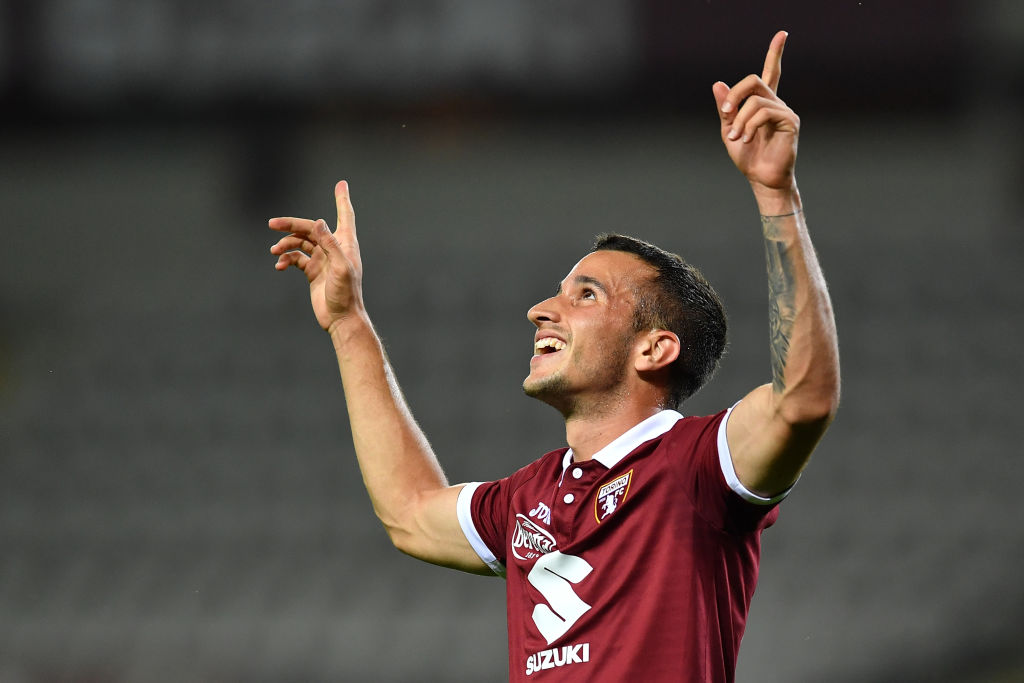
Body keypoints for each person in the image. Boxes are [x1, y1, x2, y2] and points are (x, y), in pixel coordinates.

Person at [268, 30, 839, 683]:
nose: (541, 309)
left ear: (655, 348)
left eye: (585, 294)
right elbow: (409, 511)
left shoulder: (696, 467)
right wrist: (349, 322)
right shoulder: (528, 498)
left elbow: (803, 402)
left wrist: (776, 196)